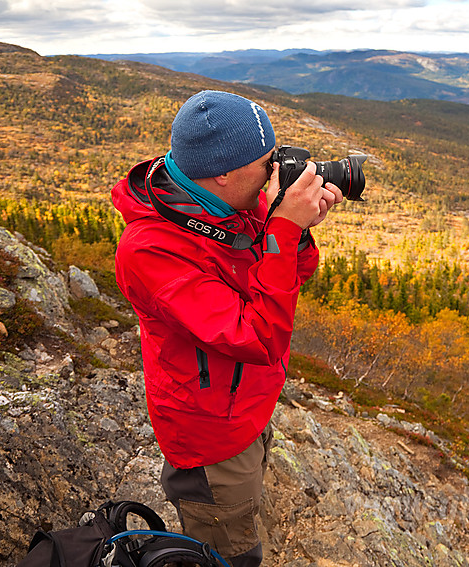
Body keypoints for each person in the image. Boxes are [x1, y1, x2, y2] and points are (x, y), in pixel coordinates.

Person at [111, 90, 343, 566]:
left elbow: (289, 277)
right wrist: (281, 229)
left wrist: (295, 229)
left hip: (247, 404)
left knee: (244, 510)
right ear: (221, 171)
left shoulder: (232, 199)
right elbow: (256, 338)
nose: (273, 176)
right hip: (209, 432)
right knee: (230, 555)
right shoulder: (149, 249)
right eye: (266, 164)